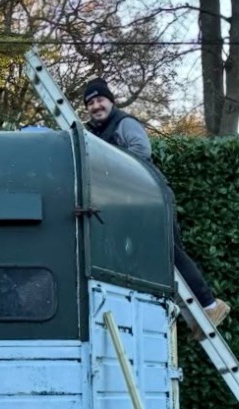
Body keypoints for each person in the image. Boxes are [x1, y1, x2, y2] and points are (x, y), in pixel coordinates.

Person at [83, 77, 231, 336]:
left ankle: (210, 304)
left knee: (168, 251)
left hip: (151, 197)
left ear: (111, 101)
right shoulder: (94, 132)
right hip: (133, 202)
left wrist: (107, 165)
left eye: (100, 100)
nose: (96, 106)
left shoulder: (124, 123)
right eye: (91, 103)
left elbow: (142, 151)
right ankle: (195, 315)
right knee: (157, 258)